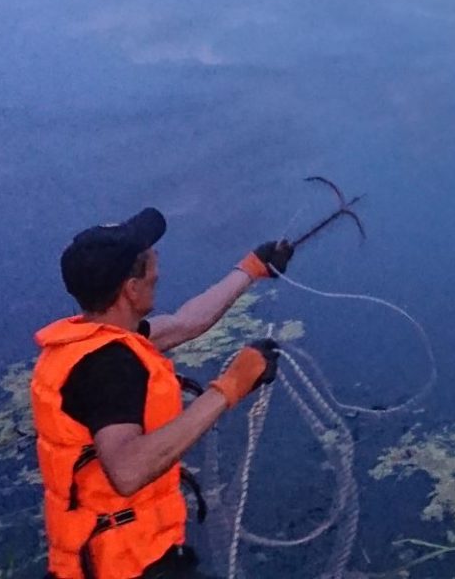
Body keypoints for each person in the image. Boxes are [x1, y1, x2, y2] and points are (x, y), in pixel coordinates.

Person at [30, 207, 294, 579]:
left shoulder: (93, 339)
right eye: (149, 263)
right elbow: (127, 469)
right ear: (130, 288)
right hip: (126, 566)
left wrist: (250, 269)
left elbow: (187, 323)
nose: (158, 269)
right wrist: (229, 388)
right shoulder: (107, 368)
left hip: (115, 558)